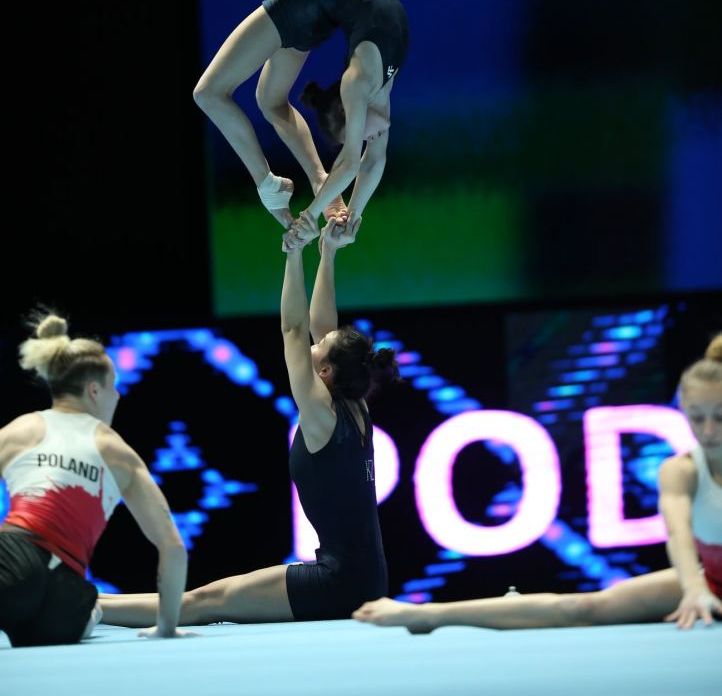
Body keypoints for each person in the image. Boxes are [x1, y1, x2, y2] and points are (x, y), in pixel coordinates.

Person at [98, 218, 399, 628]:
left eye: (320, 348)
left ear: (326, 372)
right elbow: (319, 326)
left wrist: (293, 253)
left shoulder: (320, 412)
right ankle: (91, 603)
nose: (315, 342)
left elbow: (293, 329)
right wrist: (327, 252)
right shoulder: (355, 407)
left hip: (341, 582)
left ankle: (86, 605)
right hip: (366, 577)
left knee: (202, 603)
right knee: (203, 601)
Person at [353, 346, 722, 634]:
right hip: (710, 580)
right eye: (696, 415)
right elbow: (679, 538)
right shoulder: (681, 470)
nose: (707, 430)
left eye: (719, 416)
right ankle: (426, 615)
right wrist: (694, 587)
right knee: (583, 608)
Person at [0, 311, 188, 647]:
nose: (118, 396)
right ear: (94, 390)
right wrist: (166, 627)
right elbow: (172, 547)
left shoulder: (20, 430)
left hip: (10, 567)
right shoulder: (116, 450)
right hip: (66, 600)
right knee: (91, 613)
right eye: (113, 386)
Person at [193, 0, 409, 240]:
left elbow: (364, 161)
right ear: (346, 110)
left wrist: (330, 217)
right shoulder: (366, 87)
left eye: (357, 134)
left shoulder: (368, 89)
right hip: (307, 11)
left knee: (212, 94)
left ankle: (276, 184)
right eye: (359, 134)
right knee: (232, 97)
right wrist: (330, 217)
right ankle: (308, 182)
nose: (366, 140)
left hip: (304, 12)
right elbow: (359, 161)